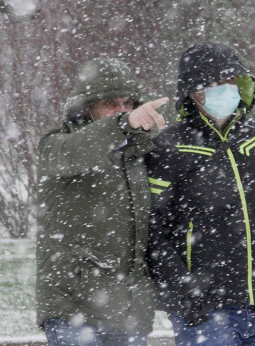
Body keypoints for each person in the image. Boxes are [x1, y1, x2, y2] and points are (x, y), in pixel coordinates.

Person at [146, 41, 255, 346]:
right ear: (191, 91)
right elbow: (153, 233)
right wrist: (184, 290)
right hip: (205, 312)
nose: (223, 89)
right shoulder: (169, 148)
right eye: (211, 83)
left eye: (229, 80)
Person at [36, 57, 168, 346]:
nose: (121, 110)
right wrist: (123, 124)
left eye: (127, 103)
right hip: (75, 308)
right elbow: (75, 152)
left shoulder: (142, 154)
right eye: (110, 103)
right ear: (86, 107)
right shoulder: (56, 145)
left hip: (130, 312)